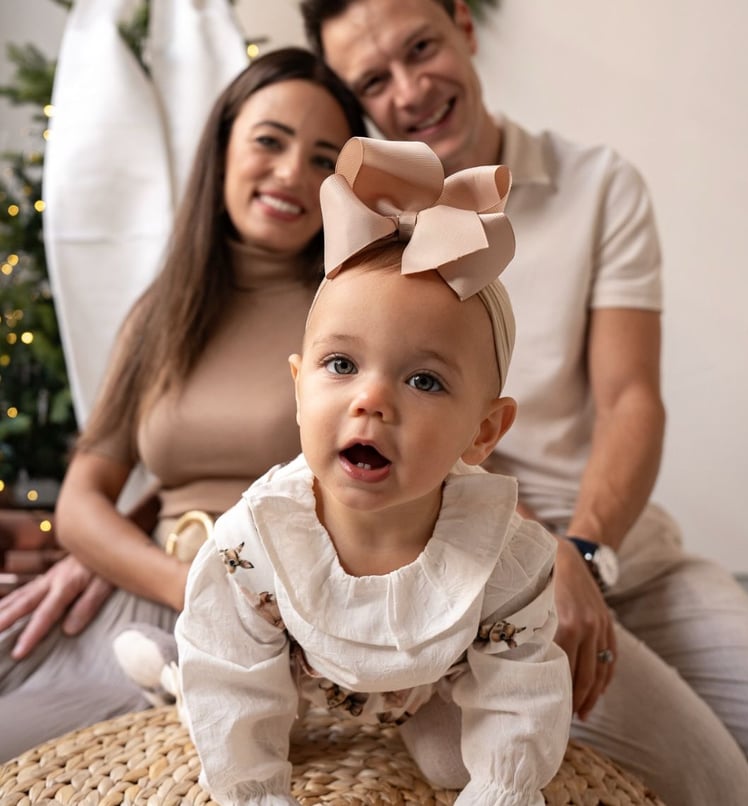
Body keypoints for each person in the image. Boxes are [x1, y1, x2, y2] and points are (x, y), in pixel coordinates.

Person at [299, 1, 748, 804]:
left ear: (464, 27)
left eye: (422, 48)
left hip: (617, 544)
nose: (410, 90)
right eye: (374, 79)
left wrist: (584, 552)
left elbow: (630, 401)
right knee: (715, 784)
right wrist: (533, 553)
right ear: (354, 101)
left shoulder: (597, 184)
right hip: (483, 559)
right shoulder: (356, 230)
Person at [175, 135, 571, 806]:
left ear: (484, 431)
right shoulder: (256, 541)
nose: (371, 400)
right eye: (341, 365)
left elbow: (520, 688)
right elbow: (231, 676)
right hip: (292, 675)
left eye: (424, 379)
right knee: (223, 712)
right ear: (300, 389)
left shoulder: (505, 557)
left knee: (453, 764)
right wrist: (256, 789)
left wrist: (501, 788)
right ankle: (163, 677)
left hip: (426, 687)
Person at [0, 46, 367, 761]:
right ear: (224, 144)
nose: (293, 173)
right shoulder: (161, 313)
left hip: (269, 630)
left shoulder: (353, 311)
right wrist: (183, 583)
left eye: (324, 159)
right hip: (144, 596)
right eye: (270, 140)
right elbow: (80, 502)